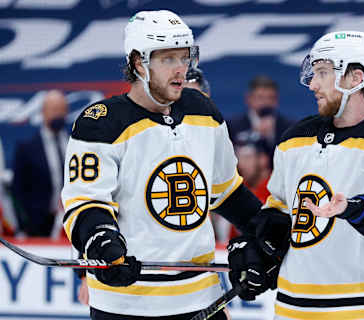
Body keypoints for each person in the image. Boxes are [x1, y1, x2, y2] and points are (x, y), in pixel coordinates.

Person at [61, 10, 273, 319]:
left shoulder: (204, 110)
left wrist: (266, 234)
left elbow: (227, 191)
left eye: (184, 58)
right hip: (126, 302)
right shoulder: (101, 122)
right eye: (168, 59)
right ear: (138, 63)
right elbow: (85, 203)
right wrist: (101, 241)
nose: (181, 70)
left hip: (202, 295)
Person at [230, 31, 364, 319]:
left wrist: (352, 208)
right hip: (295, 307)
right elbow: (280, 212)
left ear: (356, 77)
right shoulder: (294, 138)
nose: (313, 84)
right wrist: (258, 249)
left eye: (323, 72)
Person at [12, 89, 69, 236]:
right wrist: (23, 224)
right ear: (43, 112)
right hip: (37, 226)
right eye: (55, 109)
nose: (59, 114)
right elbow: (17, 190)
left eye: (63, 110)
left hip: (71, 221)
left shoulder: (75, 144)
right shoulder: (26, 149)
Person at [227, 75, 295, 163]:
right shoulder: (232, 126)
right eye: (260, 97)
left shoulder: (290, 127)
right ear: (248, 99)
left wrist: (269, 137)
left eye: (270, 98)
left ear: (277, 100)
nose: (265, 102)